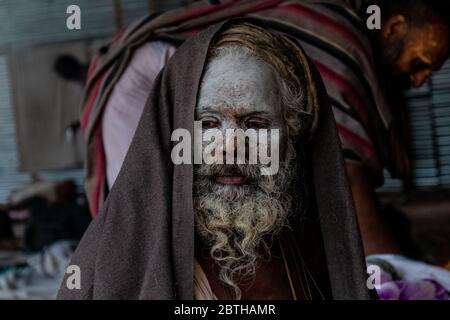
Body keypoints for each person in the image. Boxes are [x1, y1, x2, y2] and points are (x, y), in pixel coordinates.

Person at [77, 0, 450, 298]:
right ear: (395, 27)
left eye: (256, 124)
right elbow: (349, 177)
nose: (418, 81)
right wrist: (396, 263)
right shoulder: (344, 45)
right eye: (419, 63)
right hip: (153, 77)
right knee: (150, 221)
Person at [57, 20, 372, 300]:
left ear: (292, 133)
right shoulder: (117, 268)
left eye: (256, 124)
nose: (230, 147)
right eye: (207, 123)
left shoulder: (311, 245)